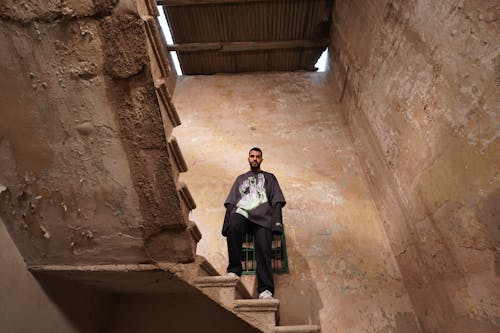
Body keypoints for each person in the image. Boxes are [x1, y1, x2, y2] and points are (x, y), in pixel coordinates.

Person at [222, 147, 286, 300]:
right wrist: (226, 224)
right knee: (234, 221)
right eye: (252, 156)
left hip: (263, 217)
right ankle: (235, 270)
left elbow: (277, 199)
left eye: (258, 156)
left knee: (263, 249)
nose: (255, 159)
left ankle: (265, 290)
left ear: (261, 159)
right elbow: (231, 202)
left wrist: (277, 223)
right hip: (244, 212)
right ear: (248, 158)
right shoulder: (240, 178)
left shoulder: (269, 177)